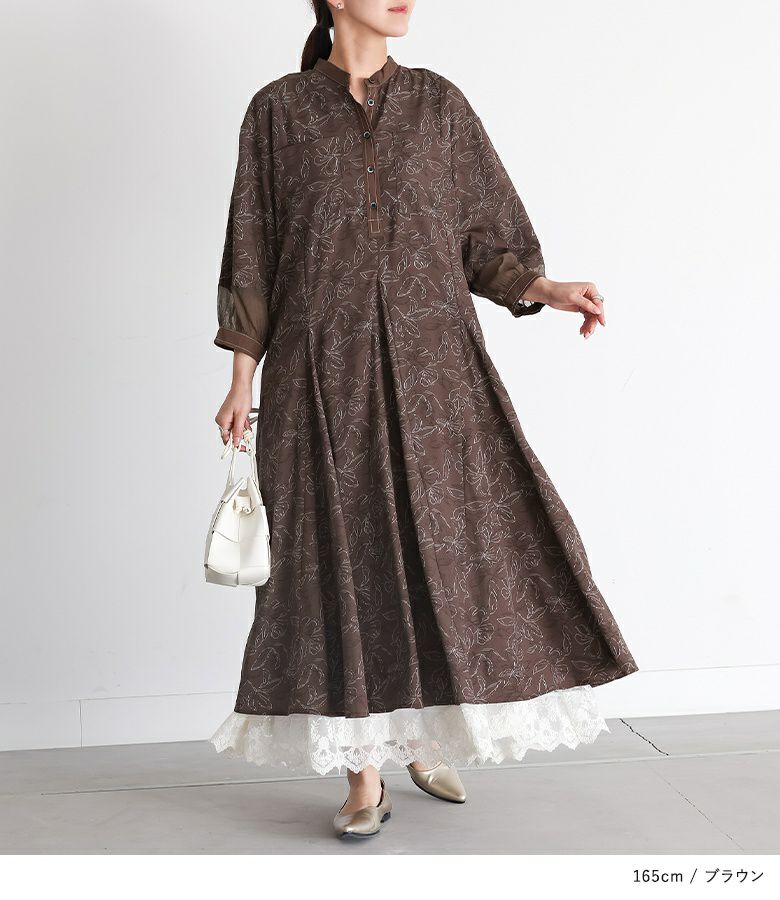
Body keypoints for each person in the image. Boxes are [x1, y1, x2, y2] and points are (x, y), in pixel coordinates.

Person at [209, 0, 638, 840]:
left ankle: (424, 733)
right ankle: (363, 773)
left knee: (439, 552)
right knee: (339, 561)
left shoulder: (439, 104)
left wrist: (545, 289)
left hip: (436, 376)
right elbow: (252, 252)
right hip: (322, 378)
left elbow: (483, 241)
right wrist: (239, 379)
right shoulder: (277, 113)